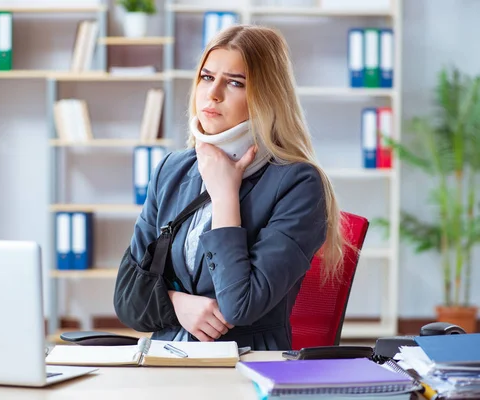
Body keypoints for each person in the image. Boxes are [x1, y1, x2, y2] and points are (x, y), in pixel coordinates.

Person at [116, 24, 346, 351]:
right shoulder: (172, 170)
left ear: (266, 98)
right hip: (166, 362)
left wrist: (225, 197)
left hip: (246, 366)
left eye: (235, 83)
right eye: (207, 77)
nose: (213, 93)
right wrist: (176, 304)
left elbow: (241, 305)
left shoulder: (298, 184)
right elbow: (127, 298)